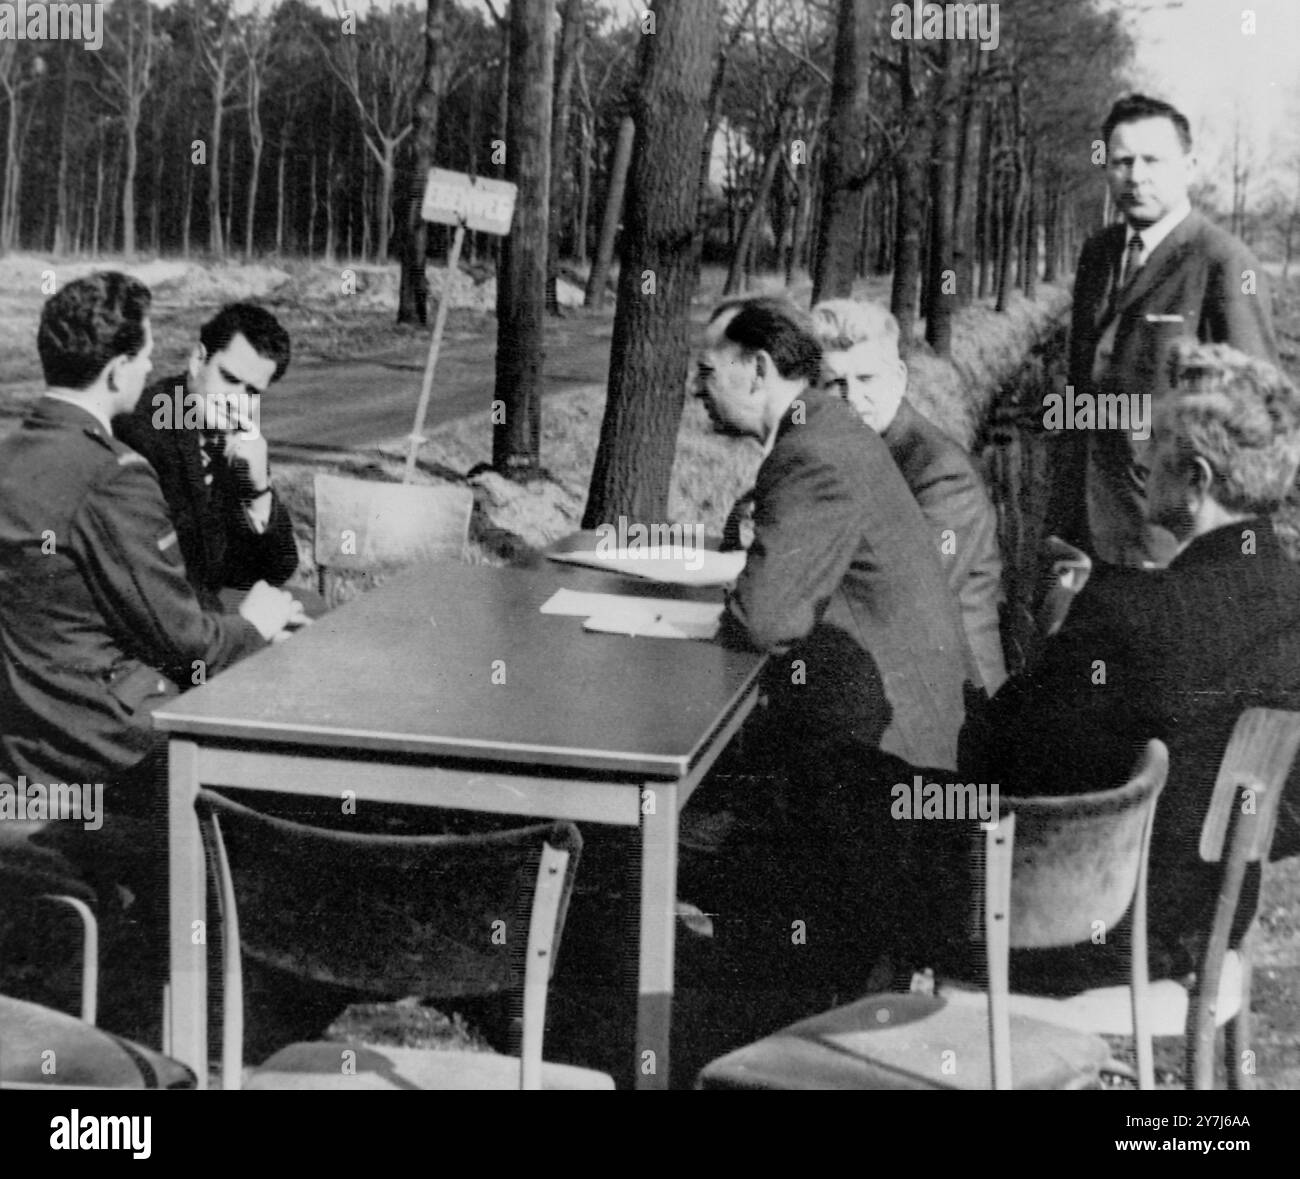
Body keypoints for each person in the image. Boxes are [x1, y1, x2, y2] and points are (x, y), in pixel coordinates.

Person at [976, 341, 1300, 979]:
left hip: (1081, 936)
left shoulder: (1131, 610)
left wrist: (1051, 639)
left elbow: (999, 756)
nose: (1141, 462)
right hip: (1210, 923)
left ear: (1198, 480)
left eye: (1157, 452)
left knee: (847, 808)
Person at [692, 297, 978, 992]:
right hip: (893, 745)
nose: (695, 387)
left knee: (680, 815)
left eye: (706, 370)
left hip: (887, 776)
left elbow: (764, 620)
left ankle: (720, 1011)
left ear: (757, 369)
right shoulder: (829, 429)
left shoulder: (813, 451)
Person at [0, 273, 301, 913]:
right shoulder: (117, 468)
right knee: (278, 778)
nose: (146, 369)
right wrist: (251, 625)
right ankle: (234, 959)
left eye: (257, 392)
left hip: (36, 728)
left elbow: (271, 563)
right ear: (117, 372)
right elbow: (186, 640)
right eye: (142, 356)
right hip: (106, 748)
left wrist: (257, 488)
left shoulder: (13, 454)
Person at [1052, 94, 1278, 569]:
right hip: (1080, 525)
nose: (1136, 177)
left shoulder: (1222, 262)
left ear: (1189, 166)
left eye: (1152, 160)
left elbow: (1254, 421)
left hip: (1164, 538)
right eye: (1121, 162)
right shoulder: (1099, 253)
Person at [811, 297, 1007, 694]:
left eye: (866, 379)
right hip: (879, 671)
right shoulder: (838, 448)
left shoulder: (942, 473)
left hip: (949, 698)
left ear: (898, 378)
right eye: (835, 383)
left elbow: (901, 597)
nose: (851, 397)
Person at [113, 302, 309, 615]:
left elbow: (276, 569)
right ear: (197, 360)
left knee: (316, 613)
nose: (237, 401)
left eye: (252, 391)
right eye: (229, 379)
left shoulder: (238, 436)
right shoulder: (147, 426)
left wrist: (258, 492)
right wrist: (246, 631)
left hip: (207, 600)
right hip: (165, 612)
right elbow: (158, 574)